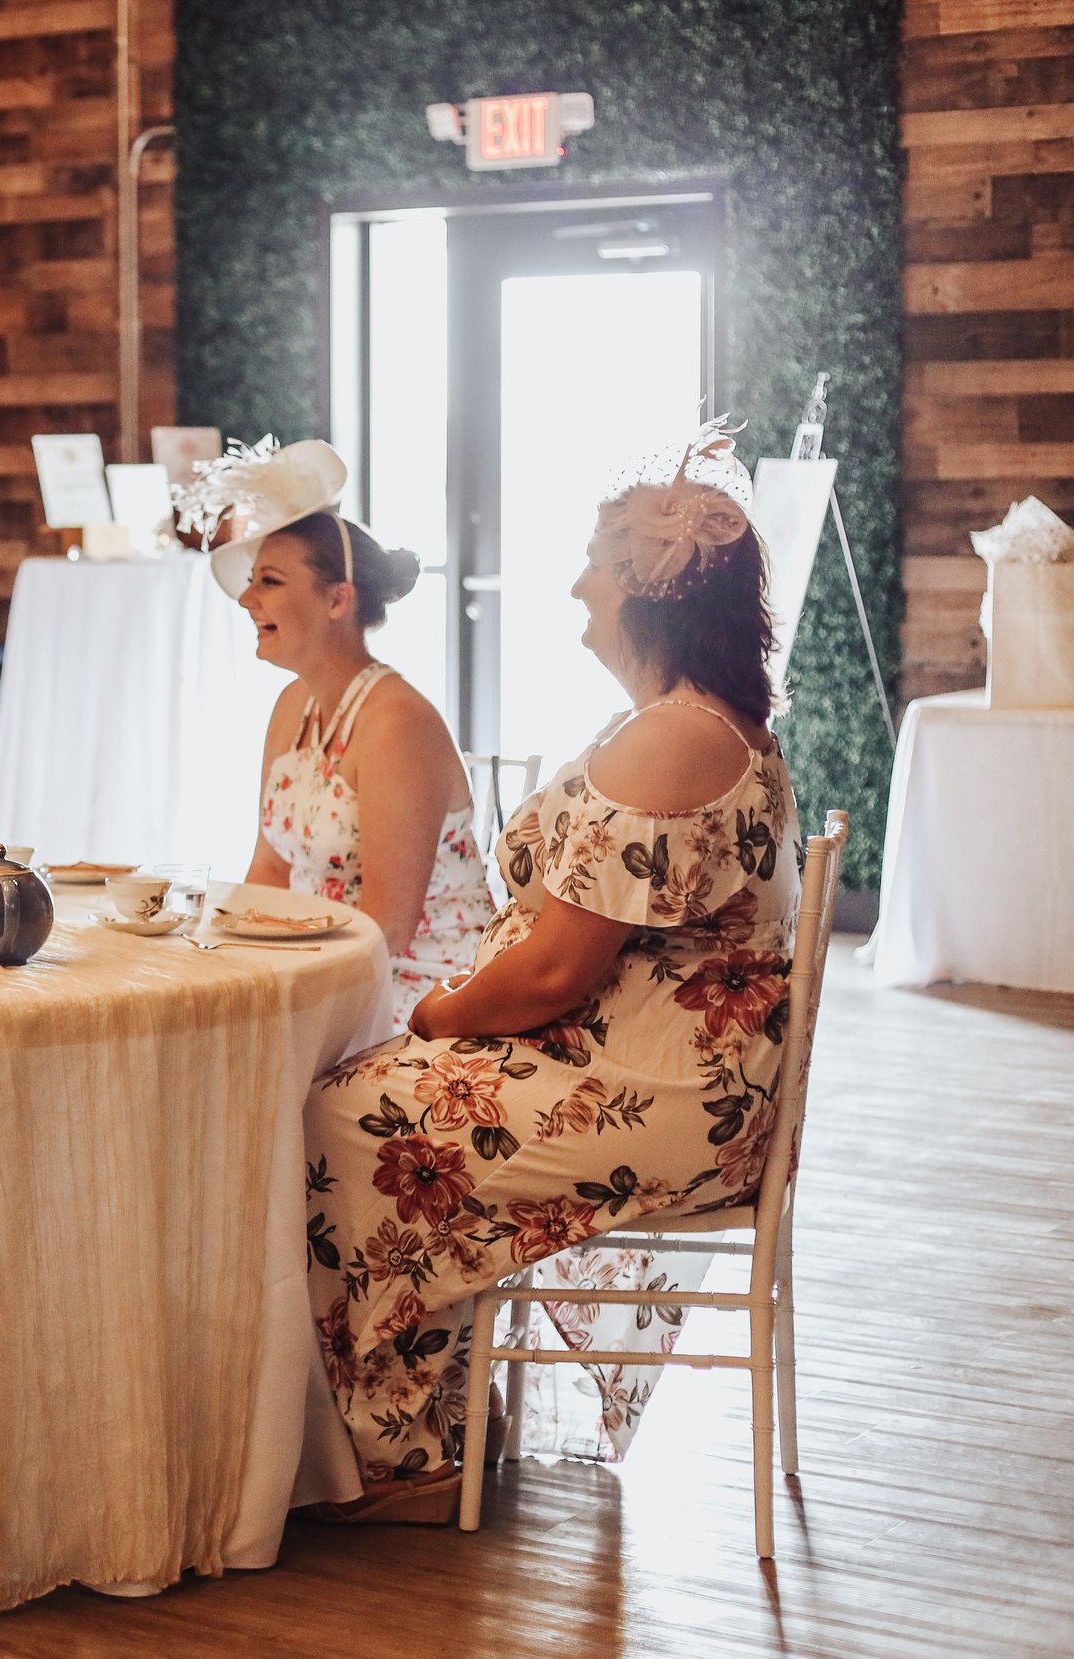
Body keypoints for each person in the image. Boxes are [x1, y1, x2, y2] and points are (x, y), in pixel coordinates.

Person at [299, 425, 798, 1523]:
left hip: (661, 1094)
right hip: (646, 1064)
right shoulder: (683, 722)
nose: (576, 584)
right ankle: (440, 1413)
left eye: (591, 563)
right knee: (360, 1095)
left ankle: (411, 1451)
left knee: (344, 1118)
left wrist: (436, 1014)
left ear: (644, 593)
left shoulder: (674, 738)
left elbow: (555, 973)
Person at [230, 502, 493, 1032]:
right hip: (327, 971)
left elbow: (387, 928)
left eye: (270, 581)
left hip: (423, 992)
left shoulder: (396, 722)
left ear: (338, 599)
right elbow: (270, 870)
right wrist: (222, 955)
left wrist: (277, 994)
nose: (246, 598)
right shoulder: (292, 705)